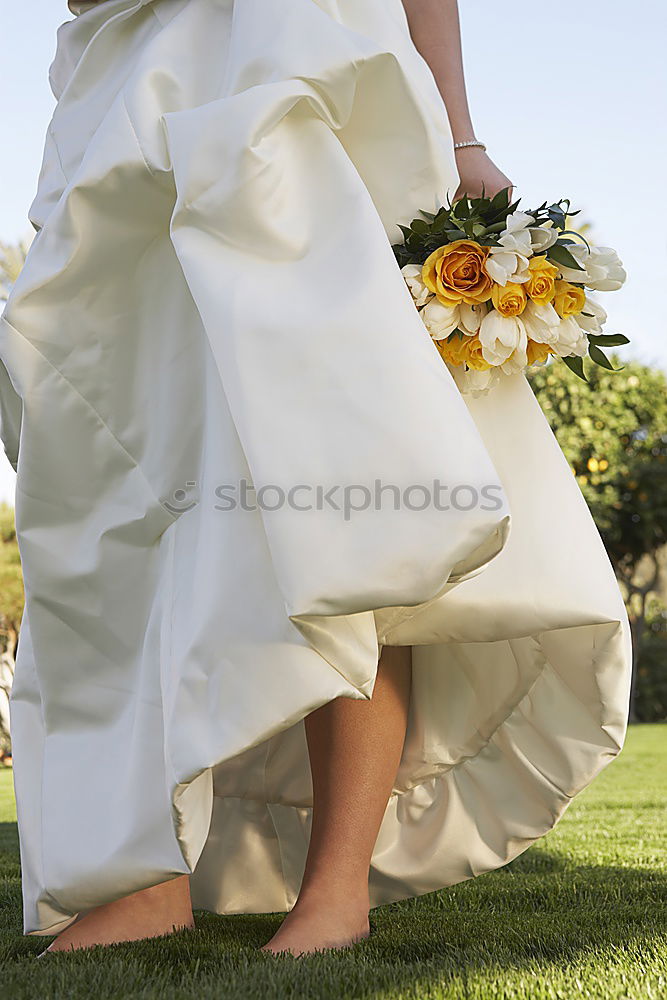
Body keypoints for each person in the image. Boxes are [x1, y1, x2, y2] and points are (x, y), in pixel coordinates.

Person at [1, 0, 631, 960]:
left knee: (341, 476)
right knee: (129, 477)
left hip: (303, 58)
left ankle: (334, 890)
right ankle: (143, 879)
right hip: (124, 75)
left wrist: (462, 135)